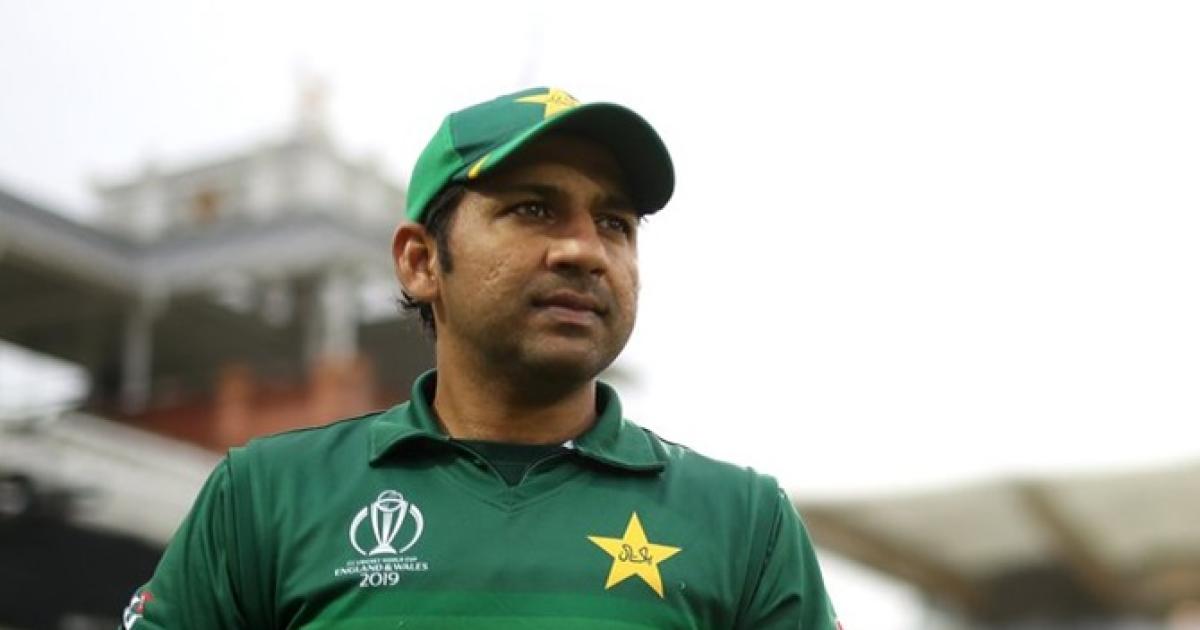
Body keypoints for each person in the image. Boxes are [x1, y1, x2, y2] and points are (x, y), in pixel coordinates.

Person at [120, 87, 840, 629]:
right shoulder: (266, 498)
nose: (585, 249)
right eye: (533, 209)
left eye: (614, 222)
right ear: (420, 261)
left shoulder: (746, 523)